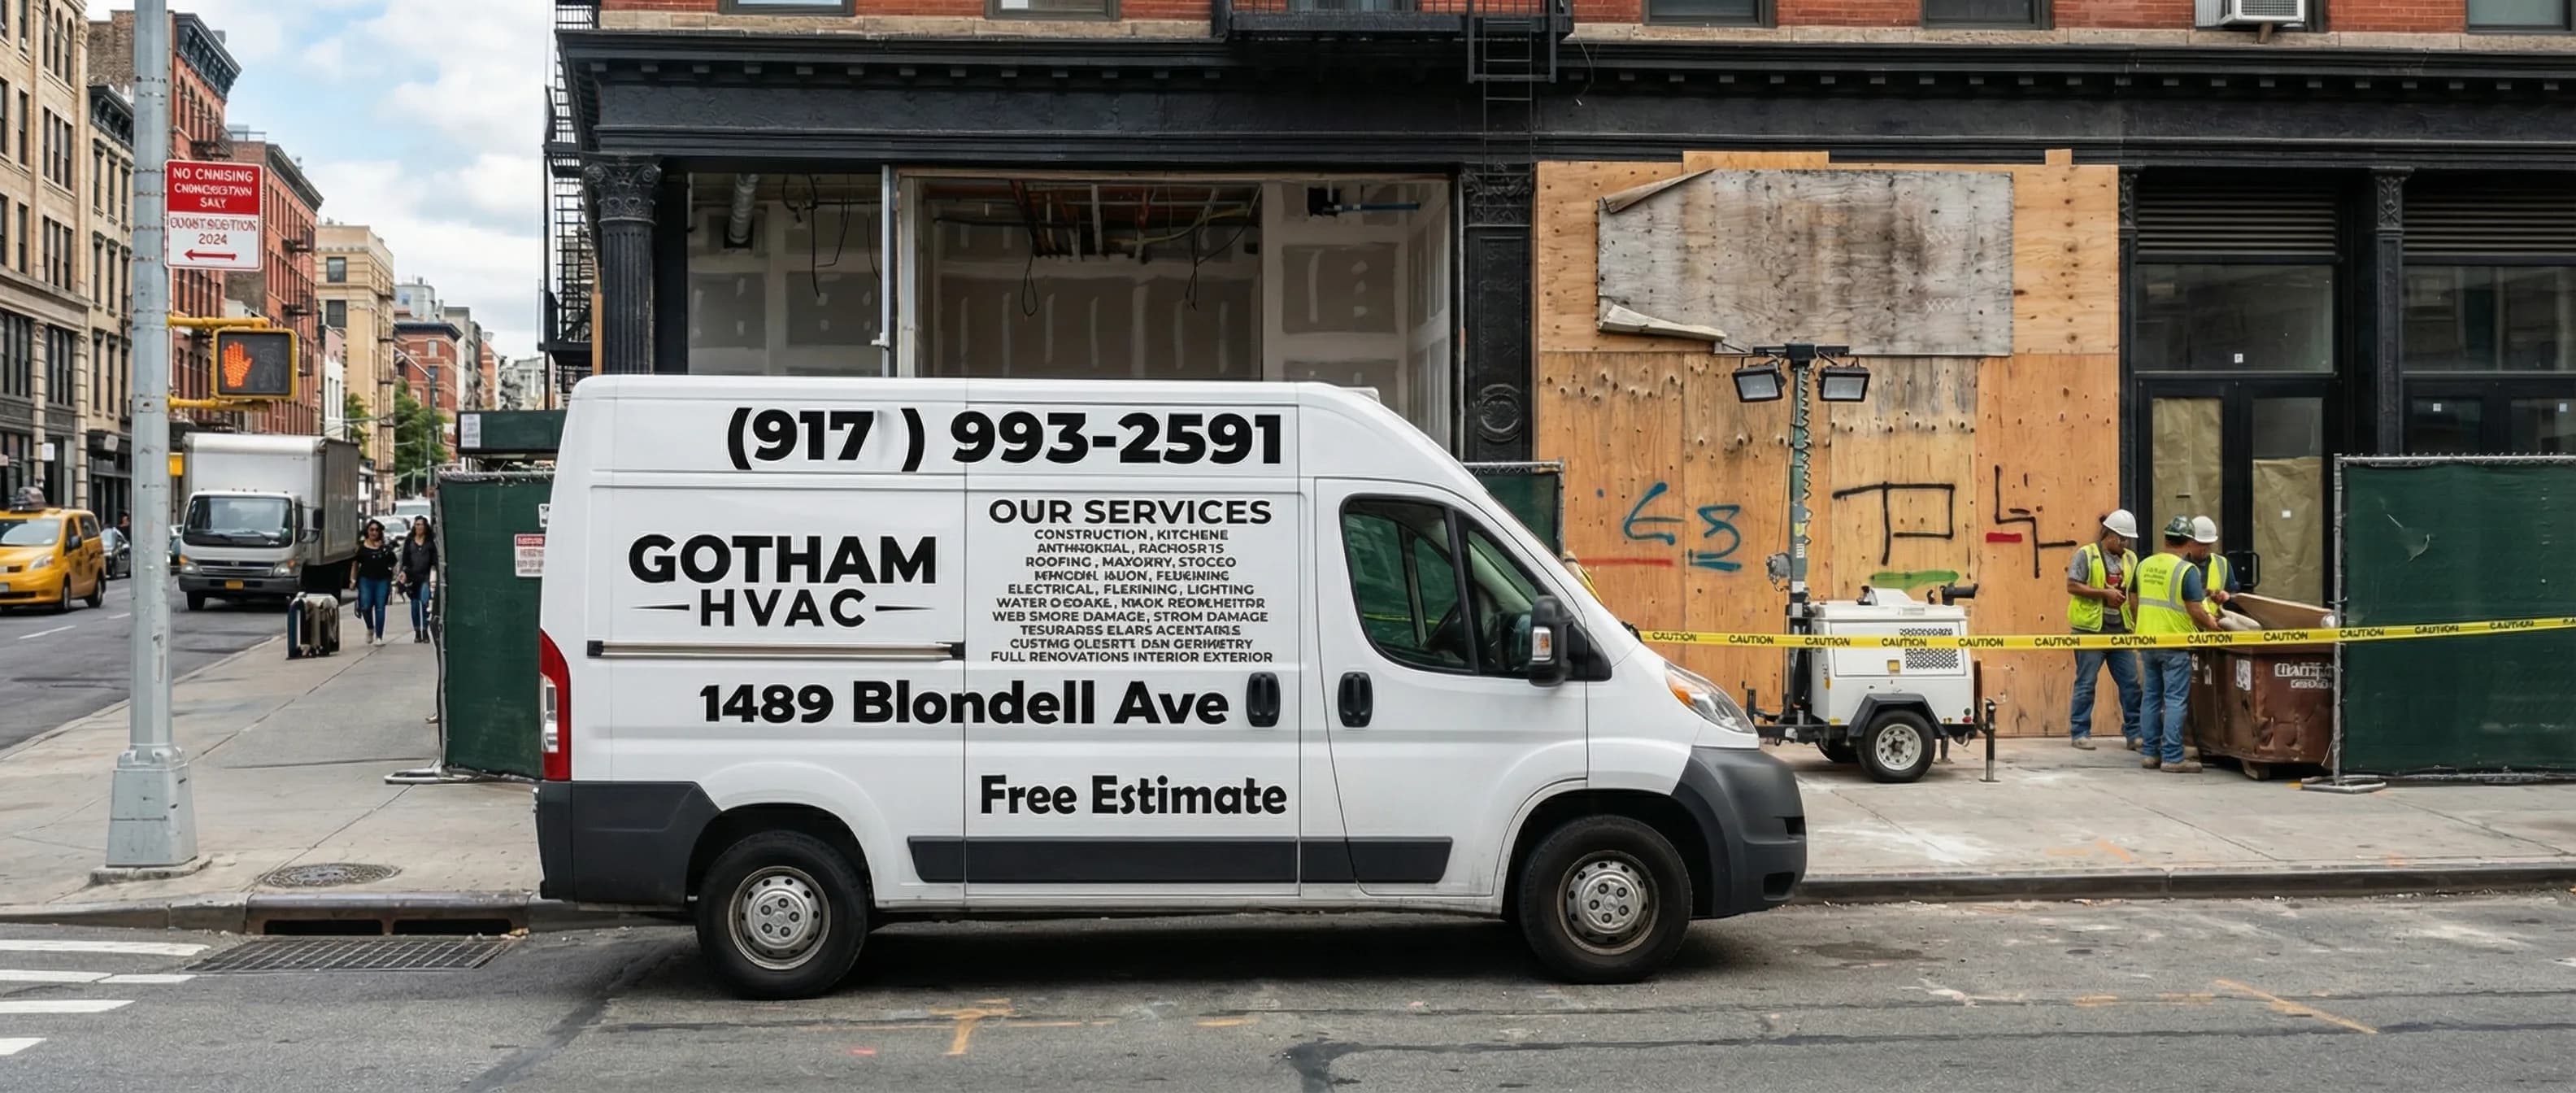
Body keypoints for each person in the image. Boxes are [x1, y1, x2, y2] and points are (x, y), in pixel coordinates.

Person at [2132, 516, 2219, 773]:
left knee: (2150, 698)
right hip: (2175, 643)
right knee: (2174, 700)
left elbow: (2133, 599)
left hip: (2148, 641)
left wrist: (2143, 625)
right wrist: (2211, 624)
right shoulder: (2186, 570)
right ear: (2190, 542)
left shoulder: (2144, 565)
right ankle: (2172, 756)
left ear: (2166, 538)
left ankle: (2150, 754)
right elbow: (2195, 609)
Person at [2065, 509, 2142, 751]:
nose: (2125, 544)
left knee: (2130, 684)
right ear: (2110, 535)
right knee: (2086, 683)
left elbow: (2133, 593)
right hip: (2090, 631)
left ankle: (2134, 733)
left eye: (2128, 540)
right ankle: (2080, 732)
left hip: (2120, 631)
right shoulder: (2086, 555)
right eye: (2122, 539)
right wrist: (2104, 594)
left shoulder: (2131, 559)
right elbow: (2072, 585)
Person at [349, 520, 399, 647]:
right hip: (365, 579)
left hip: (382, 579)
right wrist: (353, 580)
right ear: (367, 531)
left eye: (377, 530)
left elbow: (393, 563)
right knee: (365, 606)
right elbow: (355, 564)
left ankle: (379, 636)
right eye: (372, 530)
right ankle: (370, 627)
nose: (374, 532)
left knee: (380, 607)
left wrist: (395, 576)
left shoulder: (385, 548)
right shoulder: (361, 547)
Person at [400, 516, 438, 642]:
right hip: (412, 577)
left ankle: (425, 630)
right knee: (415, 605)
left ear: (425, 526)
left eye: (421, 525)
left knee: (425, 602)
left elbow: (434, 561)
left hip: (425, 576)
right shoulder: (410, 541)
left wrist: (434, 573)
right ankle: (417, 631)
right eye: (417, 525)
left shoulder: (430, 542)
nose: (419, 527)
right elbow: (405, 560)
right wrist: (403, 573)